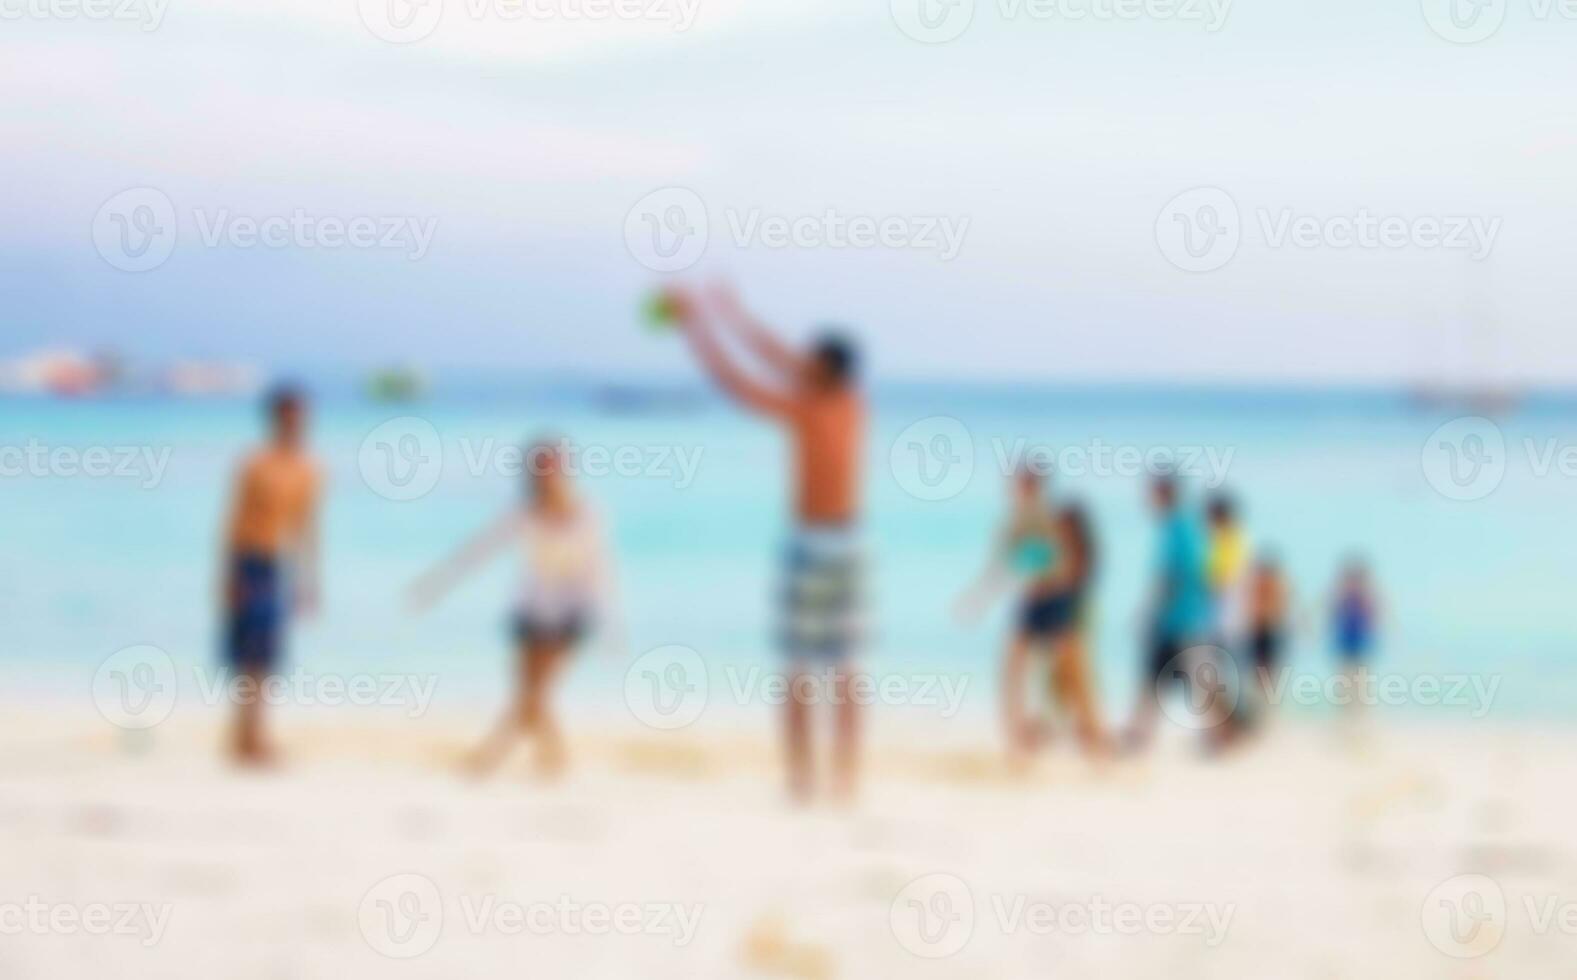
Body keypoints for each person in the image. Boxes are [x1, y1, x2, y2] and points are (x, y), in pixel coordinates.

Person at [667, 283, 865, 804]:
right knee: (806, 670)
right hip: (819, 543)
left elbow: (752, 372)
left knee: (838, 672)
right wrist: (719, 318)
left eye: (811, 363)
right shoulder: (835, 403)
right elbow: (756, 368)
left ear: (827, 370)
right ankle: (805, 778)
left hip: (838, 545)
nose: (800, 365)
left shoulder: (833, 405)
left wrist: (706, 323)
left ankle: (839, 778)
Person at [408, 439, 620, 778]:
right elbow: (478, 551)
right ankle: (550, 759)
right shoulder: (524, 512)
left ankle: (490, 757)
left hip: (570, 613)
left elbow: (601, 569)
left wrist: (610, 623)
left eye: (553, 467)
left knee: (535, 694)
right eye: (542, 468)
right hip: (531, 610)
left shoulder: (587, 513)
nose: (548, 475)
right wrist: (434, 584)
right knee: (531, 694)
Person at [956, 472, 1104, 763]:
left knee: (1067, 675)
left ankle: (1087, 740)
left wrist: (979, 598)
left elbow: (1062, 563)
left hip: (1053, 600)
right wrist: (979, 597)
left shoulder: (1045, 518)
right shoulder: (1030, 518)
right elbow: (1006, 564)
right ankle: (1022, 740)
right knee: (1024, 671)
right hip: (1040, 600)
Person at [220, 385, 321, 767]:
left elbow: (307, 528)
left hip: (277, 564)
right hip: (249, 559)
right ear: (275, 419)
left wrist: (309, 580)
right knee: (246, 654)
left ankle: (254, 734)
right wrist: (227, 575)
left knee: (266, 654)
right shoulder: (255, 464)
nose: (296, 423)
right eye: (289, 415)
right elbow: (233, 520)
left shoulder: (308, 470)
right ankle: (245, 736)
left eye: (300, 416)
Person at [1124, 474, 1211, 750]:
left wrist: (1150, 612)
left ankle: (1141, 733)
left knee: (1166, 677)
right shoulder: (1181, 527)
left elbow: (1171, 578)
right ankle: (1141, 732)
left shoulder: (1177, 528)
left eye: (1153, 493)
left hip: (1177, 620)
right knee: (1174, 678)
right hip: (1184, 617)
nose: (1149, 500)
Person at [1331, 558, 1378, 717]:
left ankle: (1359, 715)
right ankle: (1347, 715)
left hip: (1359, 646)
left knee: (1360, 682)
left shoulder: (1364, 598)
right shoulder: (1343, 597)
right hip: (1346, 645)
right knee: (1346, 680)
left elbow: (1372, 619)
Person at [1246, 554, 1290, 711]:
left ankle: (1266, 707)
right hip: (1262, 632)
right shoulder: (1263, 586)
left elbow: (1277, 611)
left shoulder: (1271, 586)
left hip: (1268, 632)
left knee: (1267, 672)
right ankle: (1263, 707)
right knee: (1262, 672)